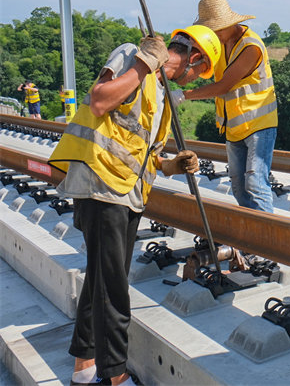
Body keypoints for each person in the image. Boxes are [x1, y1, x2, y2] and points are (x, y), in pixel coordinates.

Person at [48, 25, 221, 386]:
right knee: (113, 286)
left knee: (103, 277)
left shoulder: (161, 94)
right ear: (195, 58)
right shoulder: (133, 55)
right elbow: (99, 100)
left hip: (127, 192)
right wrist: (144, 62)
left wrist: (172, 165)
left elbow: (147, 153)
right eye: (200, 73)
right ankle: (115, 375)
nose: (193, 82)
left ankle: (84, 366)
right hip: (99, 183)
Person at [172, 0, 278, 213]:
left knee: (256, 185)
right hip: (234, 126)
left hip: (259, 123)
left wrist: (184, 95)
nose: (215, 34)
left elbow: (224, 86)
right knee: (239, 187)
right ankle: (251, 233)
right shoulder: (219, 44)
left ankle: (266, 239)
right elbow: (198, 70)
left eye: (217, 29)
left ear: (230, 24)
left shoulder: (251, 47)